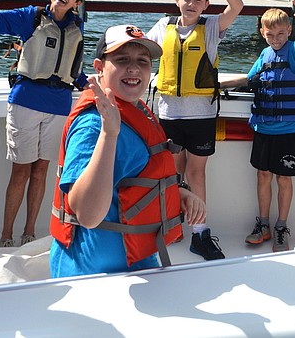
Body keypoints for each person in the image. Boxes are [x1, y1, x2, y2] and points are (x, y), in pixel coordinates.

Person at [50, 25, 206, 277]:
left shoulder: (136, 110)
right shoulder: (93, 124)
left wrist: (179, 193)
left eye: (143, 61)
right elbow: (87, 215)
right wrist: (108, 133)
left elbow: (134, 178)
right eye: (122, 60)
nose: (134, 68)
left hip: (138, 263)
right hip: (92, 275)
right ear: (99, 68)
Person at [0, 0, 88, 247]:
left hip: (59, 106)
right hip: (26, 102)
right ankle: (6, 236)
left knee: (41, 171)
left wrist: (94, 87)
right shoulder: (32, 17)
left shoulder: (78, 28)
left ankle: (28, 234)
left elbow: (73, 69)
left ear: (77, 2)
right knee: (21, 170)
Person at [146, 0, 243, 260]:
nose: (191, 3)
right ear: (177, 0)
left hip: (201, 116)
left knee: (196, 172)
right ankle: (172, 226)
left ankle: (200, 232)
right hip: (169, 114)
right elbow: (141, 50)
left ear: (205, 5)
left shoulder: (212, 27)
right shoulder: (163, 26)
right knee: (173, 173)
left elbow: (237, 6)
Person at [221, 0, 295, 252]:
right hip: (263, 128)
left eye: (281, 34)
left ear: (289, 31)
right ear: (263, 33)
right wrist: (219, 84)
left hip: (290, 130)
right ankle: (262, 225)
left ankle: (281, 227)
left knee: (284, 178)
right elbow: (250, 79)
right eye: (271, 35)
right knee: (263, 175)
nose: (276, 39)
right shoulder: (264, 55)